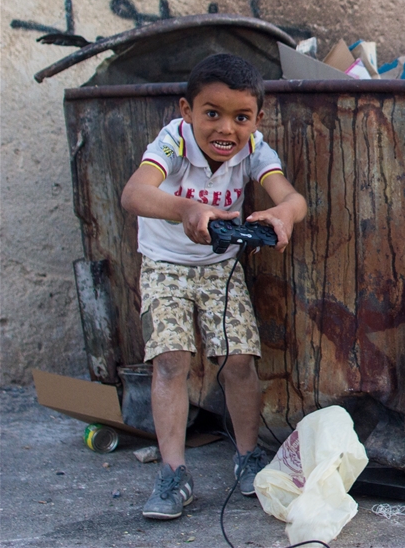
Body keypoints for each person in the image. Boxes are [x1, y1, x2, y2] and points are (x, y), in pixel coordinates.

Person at [121, 53, 307, 520]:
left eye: (240, 117)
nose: (226, 129)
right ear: (187, 111)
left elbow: (291, 197)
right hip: (166, 265)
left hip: (220, 269)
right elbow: (134, 193)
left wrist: (284, 213)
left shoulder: (254, 149)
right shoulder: (173, 142)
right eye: (212, 114)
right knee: (171, 361)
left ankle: (248, 457)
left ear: (257, 119)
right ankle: (173, 473)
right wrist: (185, 209)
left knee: (239, 361)